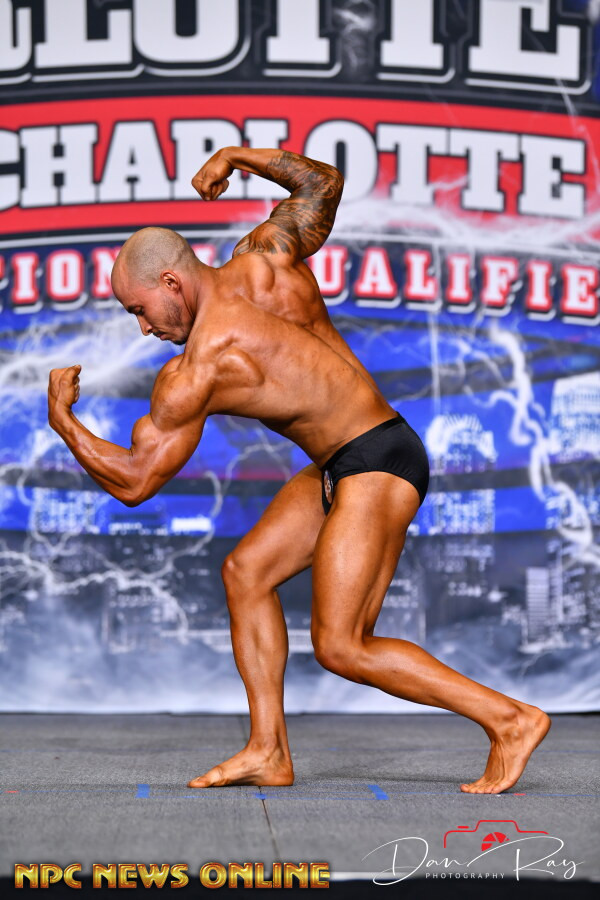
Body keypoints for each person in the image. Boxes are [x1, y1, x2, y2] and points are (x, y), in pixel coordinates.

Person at [48, 147, 550, 794]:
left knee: (344, 645)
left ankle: (510, 719)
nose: (144, 328)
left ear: (172, 283)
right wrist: (236, 156)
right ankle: (268, 750)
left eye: (139, 310)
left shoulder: (200, 367)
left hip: (377, 462)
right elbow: (322, 184)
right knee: (247, 572)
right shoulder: (265, 259)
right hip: (346, 459)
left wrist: (64, 420)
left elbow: (137, 481)